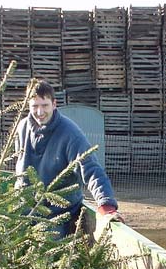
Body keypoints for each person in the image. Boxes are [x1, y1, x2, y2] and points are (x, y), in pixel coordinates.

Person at [14, 79, 123, 238]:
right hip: (26, 208)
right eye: (34, 106)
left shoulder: (70, 133)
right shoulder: (22, 127)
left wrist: (106, 205)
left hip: (57, 214)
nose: (39, 112)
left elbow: (91, 169)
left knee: (51, 246)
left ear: (54, 104)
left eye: (44, 105)